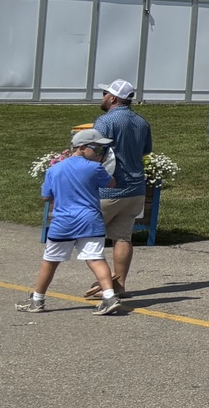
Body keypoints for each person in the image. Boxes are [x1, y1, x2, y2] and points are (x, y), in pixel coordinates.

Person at [18, 130, 121, 315]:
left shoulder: (53, 170)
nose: (101, 153)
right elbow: (111, 183)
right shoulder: (94, 168)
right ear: (82, 148)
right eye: (97, 149)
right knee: (96, 258)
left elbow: (46, 197)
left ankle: (37, 299)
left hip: (63, 222)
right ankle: (109, 296)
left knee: (49, 261)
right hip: (90, 220)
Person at [93, 78, 152, 297]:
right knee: (123, 238)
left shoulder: (105, 121)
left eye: (105, 93)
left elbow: (94, 153)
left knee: (88, 237)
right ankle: (119, 285)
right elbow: (146, 150)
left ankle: (105, 284)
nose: (103, 97)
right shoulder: (142, 122)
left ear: (113, 98)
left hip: (108, 190)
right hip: (135, 190)